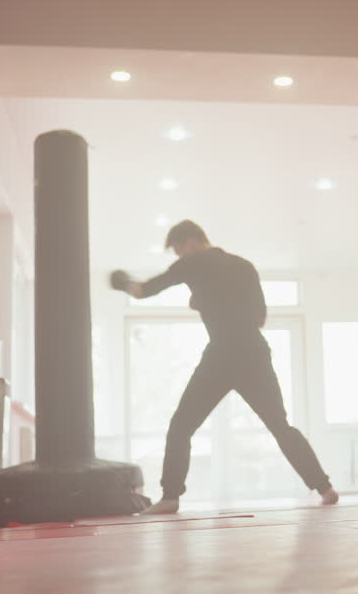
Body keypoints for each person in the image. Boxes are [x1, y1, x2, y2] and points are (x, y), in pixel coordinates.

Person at [110, 220, 338, 515]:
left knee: (181, 426)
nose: (179, 256)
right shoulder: (244, 266)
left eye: (179, 249)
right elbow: (259, 319)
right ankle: (325, 488)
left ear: (191, 242)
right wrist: (207, 302)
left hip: (222, 354)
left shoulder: (190, 263)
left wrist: (120, 280)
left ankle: (170, 498)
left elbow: (142, 291)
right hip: (255, 352)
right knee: (281, 426)